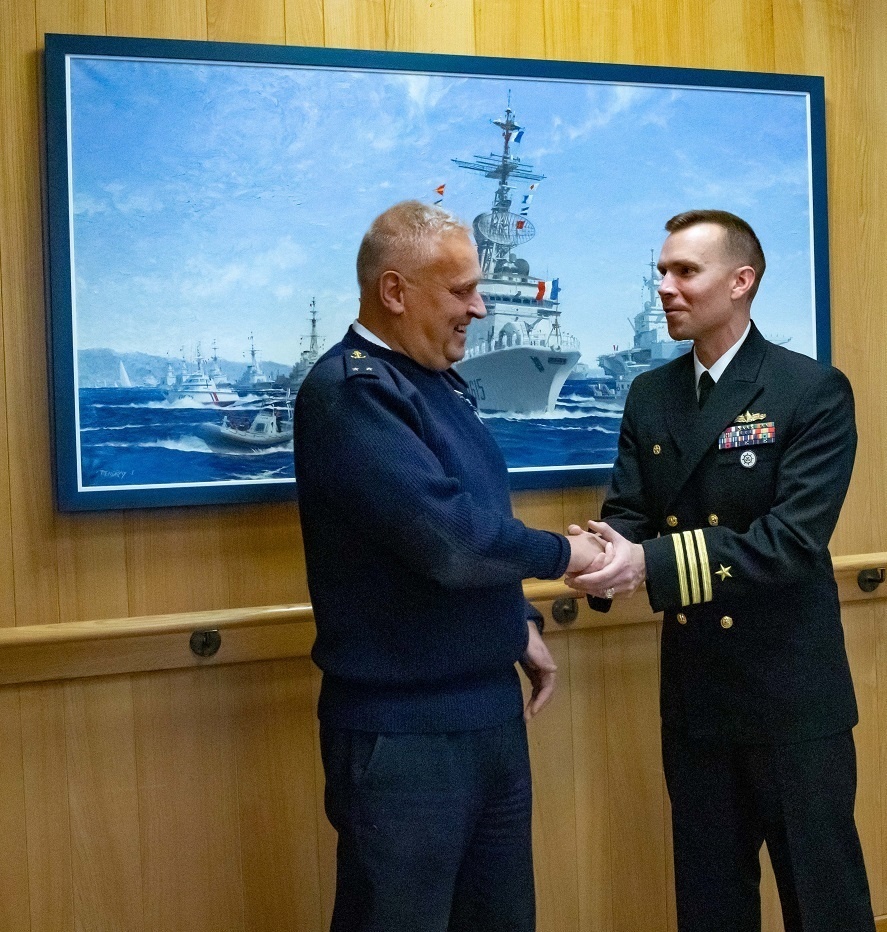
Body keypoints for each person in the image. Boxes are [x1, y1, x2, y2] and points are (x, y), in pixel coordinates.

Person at [295, 200, 604, 932]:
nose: (480, 305)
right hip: (403, 739)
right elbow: (449, 543)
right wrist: (570, 554)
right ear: (394, 292)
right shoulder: (352, 393)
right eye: (462, 289)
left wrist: (515, 621)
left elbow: (467, 522)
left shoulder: (437, 383)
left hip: (486, 715)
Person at [569, 209, 875, 932]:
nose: (666, 288)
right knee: (709, 898)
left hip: (789, 693)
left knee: (821, 895)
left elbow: (790, 541)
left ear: (740, 282)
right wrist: (595, 553)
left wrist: (643, 562)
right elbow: (630, 510)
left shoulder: (809, 390)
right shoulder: (652, 394)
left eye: (684, 272)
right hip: (696, 688)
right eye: (661, 273)